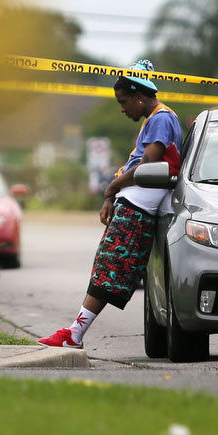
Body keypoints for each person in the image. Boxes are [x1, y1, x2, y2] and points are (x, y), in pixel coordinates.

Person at [38, 60, 182, 348]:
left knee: (110, 271)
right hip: (133, 205)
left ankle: (74, 334)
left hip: (139, 208)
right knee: (106, 268)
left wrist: (112, 188)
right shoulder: (154, 119)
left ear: (140, 96)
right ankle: (73, 332)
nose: (122, 108)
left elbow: (148, 163)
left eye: (124, 101)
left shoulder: (161, 118)